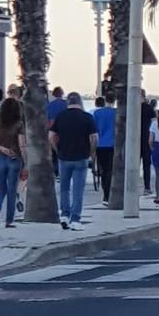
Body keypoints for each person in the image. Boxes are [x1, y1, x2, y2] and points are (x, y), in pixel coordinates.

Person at [49, 92, 98, 231]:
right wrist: (91, 153)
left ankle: (64, 215)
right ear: (80, 102)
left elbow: (51, 136)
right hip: (81, 157)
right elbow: (94, 138)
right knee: (78, 189)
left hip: (64, 157)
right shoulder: (87, 117)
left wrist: (57, 150)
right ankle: (75, 219)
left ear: (68, 102)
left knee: (64, 188)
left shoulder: (61, 116)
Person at [0, 98, 26, 228]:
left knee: (1, 188)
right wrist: (25, 162)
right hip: (14, 158)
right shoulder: (19, 124)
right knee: (12, 189)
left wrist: (1, 148)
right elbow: (22, 144)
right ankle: (9, 220)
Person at [92, 92, 116, 206]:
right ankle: (107, 195)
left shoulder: (97, 113)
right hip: (112, 145)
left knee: (103, 170)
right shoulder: (116, 113)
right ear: (114, 101)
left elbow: (94, 131)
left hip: (100, 145)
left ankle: (105, 194)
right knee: (110, 170)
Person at [47, 86, 68, 177]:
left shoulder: (50, 105)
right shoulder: (66, 104)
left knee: (54, 152)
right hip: (64, 131)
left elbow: (47, 119)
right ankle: (63, 170)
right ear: (62, 94)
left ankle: (56, 171)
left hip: (52, 131)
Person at [140, 90, 156, 195]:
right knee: (147, 165)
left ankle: (132, 186)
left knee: (134, 165)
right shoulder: (149, 108)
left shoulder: (131, 107)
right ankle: (147, 187)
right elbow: (155, 123)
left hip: (135, 139)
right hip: (146, 138)